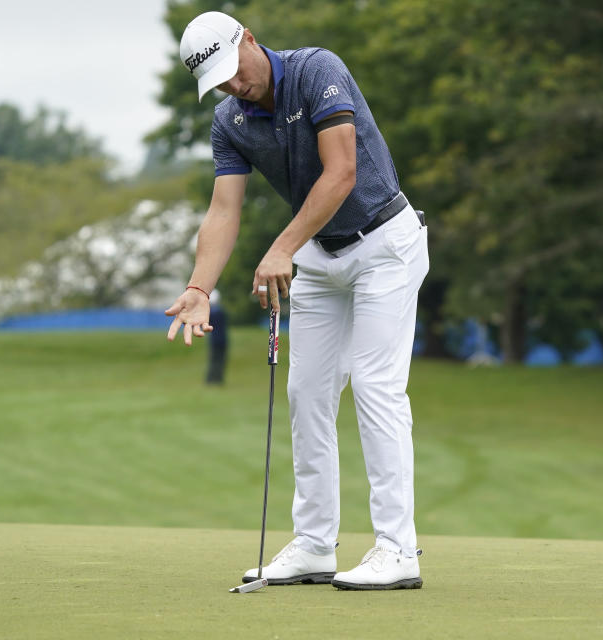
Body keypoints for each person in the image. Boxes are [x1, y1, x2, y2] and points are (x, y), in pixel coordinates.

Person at [165, 11, 429, 591]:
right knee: (305, 393)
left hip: (385, 242)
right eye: (220, 81)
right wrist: (197, 289)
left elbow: (341, 173)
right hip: (319, 254)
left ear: (250, 41)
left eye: (233, 70)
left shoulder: (317, 71)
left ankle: (398, 549)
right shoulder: (229, 121)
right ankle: (313, 544)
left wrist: (282, 247)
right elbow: (223, 211)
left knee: (376, 384)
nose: (234, 85)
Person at [205, 289, 228, 384]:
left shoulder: (211, 312)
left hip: (214, 339)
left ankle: (211, 379)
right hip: (223, 339)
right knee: (220, 360)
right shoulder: (221, 311)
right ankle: (218, 379)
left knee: (213, 360)